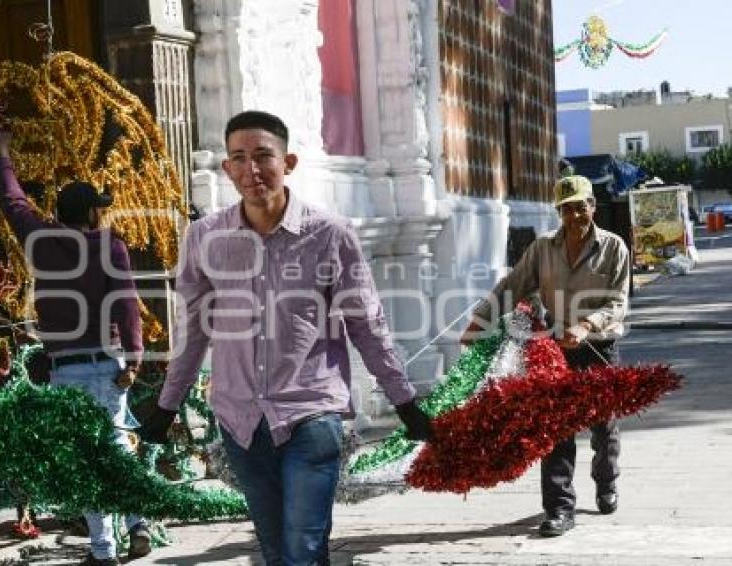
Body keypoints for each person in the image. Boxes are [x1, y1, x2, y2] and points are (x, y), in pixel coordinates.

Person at [140, 110, 433, 565]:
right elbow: (193, 330)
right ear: (227, 169)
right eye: (238, 158)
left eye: (263, 156)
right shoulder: (204, 237)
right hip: (240, 418)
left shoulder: (330, 234)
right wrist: (166, 405)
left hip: (311, 411)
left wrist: (404, 400)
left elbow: (366, 323)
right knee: (275, 549)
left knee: (303, 545)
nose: (251, 169)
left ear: (288, 162)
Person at [0, 130, 151, 565]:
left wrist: (4, 153)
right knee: (117, 447)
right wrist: (134, 359)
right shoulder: (111, 246)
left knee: (84, 457)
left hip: (66, 367)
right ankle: (138, 525)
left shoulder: (41, 240)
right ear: (92, 213)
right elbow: (126, 306)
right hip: (107, 364)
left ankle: (104, 549)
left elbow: (14, 203)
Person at [461, 175, 629, 537]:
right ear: (558, 211)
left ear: (593, 206)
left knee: (604, 427)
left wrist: (586, 326)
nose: (573, 216)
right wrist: (480, 321)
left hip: (598, 347)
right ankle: (558, 508)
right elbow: (512, 285)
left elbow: (618, 301)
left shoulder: (614, 247)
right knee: (555, 427)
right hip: (556, 349)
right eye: (565, 209)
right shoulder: (542, 249)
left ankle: (606, 481)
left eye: (579, 207)